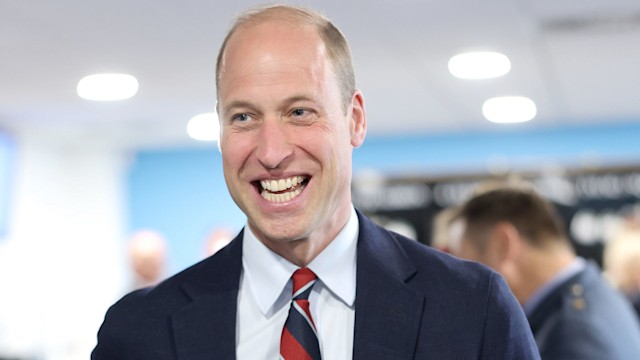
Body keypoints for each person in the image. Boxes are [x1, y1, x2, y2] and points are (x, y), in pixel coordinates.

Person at [92, 5, 539, 359]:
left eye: (299, 112)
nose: (271, 152)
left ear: (355, 121)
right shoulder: (137, 332)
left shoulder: (473, 309)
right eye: (243, 117)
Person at [449, 185, 640, 359]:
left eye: (463, 262)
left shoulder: (569, 335)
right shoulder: (591, 296)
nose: (457, 280)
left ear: (502, 245)